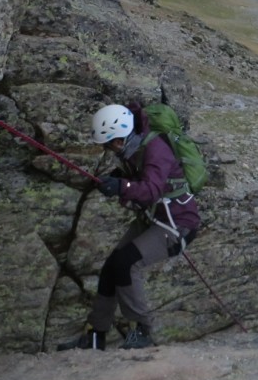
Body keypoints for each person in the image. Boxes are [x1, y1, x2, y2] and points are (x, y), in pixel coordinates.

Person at [57, 103, 201, 351]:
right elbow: (142, 187)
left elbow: (152, 190)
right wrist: (119, 182)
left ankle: (142, 332)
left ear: (120, 138)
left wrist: (121, 187)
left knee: (126, 263)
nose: (110, 150)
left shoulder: (155, 149)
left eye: (110, 144)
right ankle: (95, 335)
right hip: (155, 219)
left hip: (178, 222)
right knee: (112, 266)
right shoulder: (136, 149)